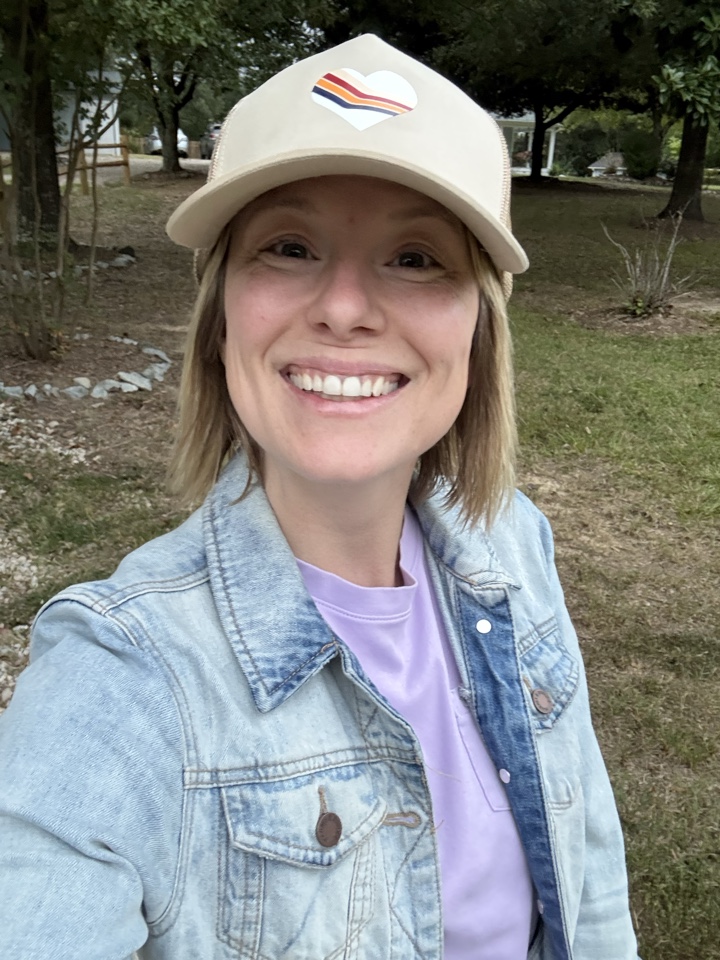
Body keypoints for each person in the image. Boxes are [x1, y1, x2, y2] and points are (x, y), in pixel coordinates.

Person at [0, 34, 640, 960]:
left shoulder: (512, 543)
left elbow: (590, 877)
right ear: (221, 319)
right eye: (289, 248)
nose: (344, 307)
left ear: (479, 330)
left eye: (416, 258)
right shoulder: (120, 678)